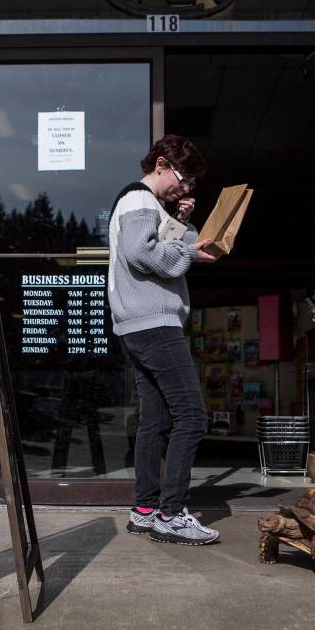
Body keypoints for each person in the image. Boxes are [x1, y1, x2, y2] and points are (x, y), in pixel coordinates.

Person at [107, 134, 221, 546]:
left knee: (153, 420)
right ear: (160, 165)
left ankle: (144, 510)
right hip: (153, 323)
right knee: (192, 415)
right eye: (182, 177)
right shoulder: (138, 200)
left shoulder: (147, 204)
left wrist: (183, 224)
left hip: (137, 323)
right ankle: (171, 514)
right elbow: (144, 254)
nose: (185, 187)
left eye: (191, 183)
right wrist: (190, 252)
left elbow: (166, 245)